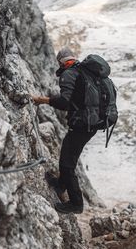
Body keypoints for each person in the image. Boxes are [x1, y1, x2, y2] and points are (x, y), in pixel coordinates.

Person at [31, 47, 97, 214]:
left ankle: (76, 204)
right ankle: (61, 184)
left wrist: (42, 100)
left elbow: (64, 102)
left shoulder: (69, 73)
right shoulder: (83, 72)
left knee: (67, 164)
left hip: (82, 125)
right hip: (89, 124)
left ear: (60, 61)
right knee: (68, 156)